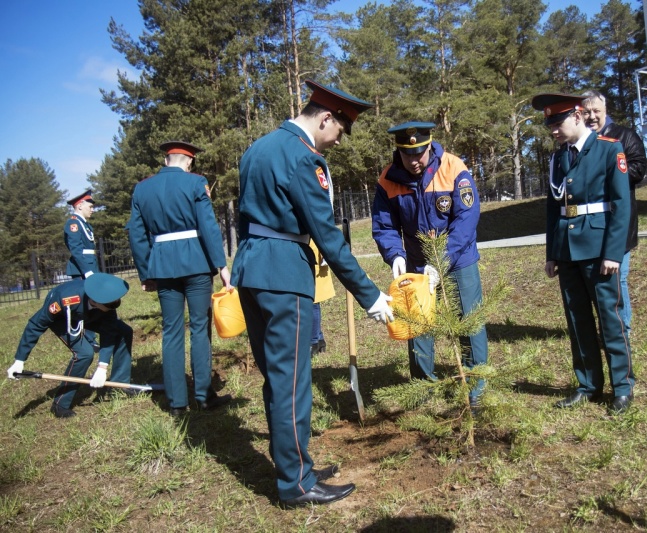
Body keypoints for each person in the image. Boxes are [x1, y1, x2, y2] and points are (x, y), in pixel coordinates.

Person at [231, 80, 394, 508]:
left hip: (251, 268)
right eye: (339, 131)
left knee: (278, 380)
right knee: (293, 383)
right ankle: (297, 484)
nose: (338, 140)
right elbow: (327, 235)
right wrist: (371, 296)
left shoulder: (257, 148)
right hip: (285, 273)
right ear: (325, 118)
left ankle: (294, 466)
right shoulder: (305, 159)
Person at [371, 121, 488, 409]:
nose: (414, 161)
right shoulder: (388, 179)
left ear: (429, 145)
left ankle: (475, 383)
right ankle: (423, 384)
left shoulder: (453, 168)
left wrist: (443, 257)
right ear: (399, 151)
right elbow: (384, 226)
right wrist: (395, 255)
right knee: (418, 325)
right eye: (407, 155)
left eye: (420, 154)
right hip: (415, 262)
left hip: (458, 258)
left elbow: (467, 218)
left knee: (468, 321)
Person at [532, 93, 635, 415]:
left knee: (610, 320)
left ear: (577, 117)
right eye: (549, 124)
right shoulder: (558, 159)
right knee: (577, 322)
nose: (553, 130)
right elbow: (553, 208)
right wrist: (552, 253)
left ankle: (622, 387)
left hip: (599, 249)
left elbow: (621, 206)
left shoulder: (609, 149)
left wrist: (614, 253)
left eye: (557, 123)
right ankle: (588, 385)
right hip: (567, 251)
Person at [127, 140, 233, 417]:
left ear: (166, 161)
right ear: (189, 162)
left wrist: (146, 272)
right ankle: (203, 395)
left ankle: (176, 403)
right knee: (200, 328)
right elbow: (208, 227)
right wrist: (221, 266)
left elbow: (136, 235)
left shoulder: (142, 188)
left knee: (171, 331)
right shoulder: (196, 183)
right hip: (196, 262)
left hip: (162, 265)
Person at [5, 273, 133, 418]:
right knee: (84, 354)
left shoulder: (106, 302)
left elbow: (109, 333)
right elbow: (36, 325)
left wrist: (102, 367)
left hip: (93, 314)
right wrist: (19, 360)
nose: (115, 305)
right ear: (95, 300)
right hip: (63, 318)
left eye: (117, 302)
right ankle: (60, 405)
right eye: (112, 304)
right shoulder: (64, 299)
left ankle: (119, 385)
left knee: (124, 331)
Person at [582, 91, 647, 336]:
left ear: (605, 110)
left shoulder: (625, 136)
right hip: (591, 226)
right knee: (598, 281)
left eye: (596, 111)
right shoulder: (581, 142)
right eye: (586, 112)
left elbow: (639, 169)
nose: (591, 117)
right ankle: (606, 328)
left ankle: (622, 331)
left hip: (619, 221)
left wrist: (607, 172)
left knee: (617, 278)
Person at [63, 190, 100, 348]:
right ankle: (86, 340)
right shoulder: (73, 224)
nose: (92, 209)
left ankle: (92, 338)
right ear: (79, 206)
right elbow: (76, 250)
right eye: (89, 206)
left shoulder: (84, 224)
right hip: (82, 270)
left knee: (92, 302)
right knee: (84, 304)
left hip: (90, 265)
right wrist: (87, 271)